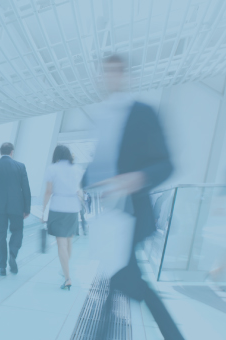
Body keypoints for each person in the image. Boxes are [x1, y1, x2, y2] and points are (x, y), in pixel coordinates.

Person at [82, 55, 184, 340]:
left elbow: (166, 163)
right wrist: (88, 182)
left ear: (126, 75)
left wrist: (136, 178)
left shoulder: (143, 113)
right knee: (118, 280)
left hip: (133, 214)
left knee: (125, 280)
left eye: (116, 71)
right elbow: (99, 166)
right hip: (110, 216)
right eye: (106, 72)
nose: (110, 77)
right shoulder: (102, 117)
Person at [0, 142, 31, 276]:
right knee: (17, 231)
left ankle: (2, 267)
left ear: (0, 151)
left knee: (0, 235)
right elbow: (26, 189)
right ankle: (13, 254)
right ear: (12, 152)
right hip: (17, 207)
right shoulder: (20, 166)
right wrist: (27, 208)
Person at [42, 145, 81, 290]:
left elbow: (48, 191)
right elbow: (78, 189)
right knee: (69, 240)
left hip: (58, 207)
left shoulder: (52, 168)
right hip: (73, 208)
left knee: (61, 244)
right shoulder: (76, 169)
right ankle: (65, 270)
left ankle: (67, 277)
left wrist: (43, 209)